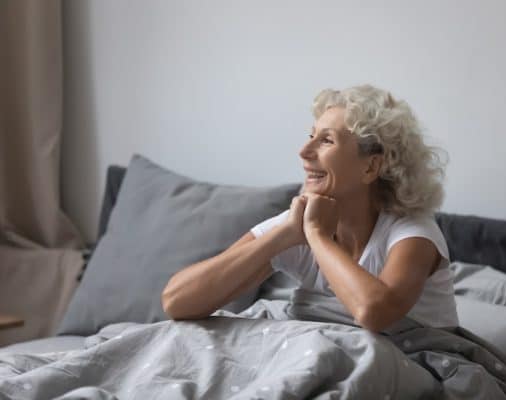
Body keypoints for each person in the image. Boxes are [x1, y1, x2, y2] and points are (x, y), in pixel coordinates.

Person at [162, 84, 458, 332]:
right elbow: (177, 301)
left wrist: (316, 235)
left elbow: (374, 312)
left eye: (326, 140)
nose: (304, 152)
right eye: (310, 135)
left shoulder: (413, 234)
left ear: (371, 166)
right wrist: (284, 235)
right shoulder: (296, 222)